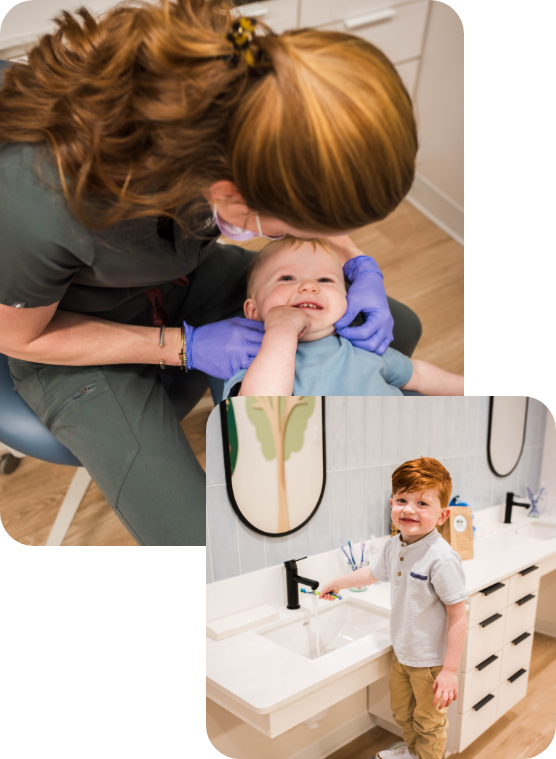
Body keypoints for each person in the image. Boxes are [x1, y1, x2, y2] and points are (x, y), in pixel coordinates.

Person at [0, 1, 421, 545]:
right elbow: (19, 336)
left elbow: (311, 206)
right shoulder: (40, 200)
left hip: (180, 278)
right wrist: (182, 347)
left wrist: (361, 265)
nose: (320, 241)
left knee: (396, 327)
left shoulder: (245, 90)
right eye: (303, 223)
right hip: (74, 332)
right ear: (232, 190)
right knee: (197, 543)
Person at [319, 457, 468, 759]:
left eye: (423, 503)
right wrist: (338, 582)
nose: (409, 509)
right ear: (391, 503)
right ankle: (414, 754)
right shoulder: (394, 545)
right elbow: (373, 574)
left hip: (430, 663)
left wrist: (450, 670)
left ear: (443, 515)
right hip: (402, 654)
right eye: (402, 499)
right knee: (402, 713)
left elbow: (458, 616)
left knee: (429, 723)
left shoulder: (441, 558)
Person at [220, 237, 464, 398]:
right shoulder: (252, 362)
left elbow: (418, 374)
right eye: (287, 278)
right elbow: (259, 415)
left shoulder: (363, 348)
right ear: (253, 311)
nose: (308, 286)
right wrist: (281, 332)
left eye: (325, 280)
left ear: (347, 300)